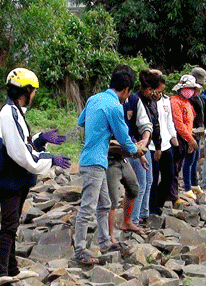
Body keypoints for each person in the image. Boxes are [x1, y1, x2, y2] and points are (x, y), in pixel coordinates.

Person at [0, 68, 70, 286]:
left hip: (16, 178)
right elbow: (22, 155)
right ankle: (1, 272)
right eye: (33, 91)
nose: (34, 95)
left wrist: (40, 139)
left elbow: (23, 144)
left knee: (13, 224)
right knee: (8, 225)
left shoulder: (14, 112)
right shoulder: (10, 114)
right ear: (26, 90)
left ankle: (12, 269)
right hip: (10, 179)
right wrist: (50, 159)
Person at [73, 65, 145, 265]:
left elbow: (82, 121)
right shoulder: (115, 106)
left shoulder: (94, 99)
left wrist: (98, 131)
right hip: (94, 162)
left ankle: (105, 241)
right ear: (127, 90)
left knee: (105, 203)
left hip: (95, 159)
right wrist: (137, 150)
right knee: (88, 207)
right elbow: (123, 137)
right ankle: (79, 249)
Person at [124, 69, 162, 225]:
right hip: (133, 146)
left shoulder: (147, 102)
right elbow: (126, 128)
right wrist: (138, 147)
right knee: (138, 183)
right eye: (157, 91)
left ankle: (143, 213)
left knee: (149, 180)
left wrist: (149, 141)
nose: (158, 94)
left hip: (143, 145)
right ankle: (134, 219)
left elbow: (151, 125)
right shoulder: (134, 100)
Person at [150, 80, 179, 215]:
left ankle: (159, 203)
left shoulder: (166, 100)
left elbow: (169, 121)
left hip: (166, 143)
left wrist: (175, 140)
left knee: (169, 176)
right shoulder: (146, 102)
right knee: (153, 179)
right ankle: (151, 209)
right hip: (151, 146)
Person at [170, 74, 199, 203]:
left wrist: (190, 138)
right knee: (174, 167)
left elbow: (189, 122)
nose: (190, 90)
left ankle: (174, 194)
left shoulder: (187, 102)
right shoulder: (175, 101)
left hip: (185, 137)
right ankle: (173, 196)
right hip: (177, 137)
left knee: (179, 166)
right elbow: (179, 124)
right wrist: (190, 139)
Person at [189, 68, 206, 193]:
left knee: (195, 159)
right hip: (192, 131)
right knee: (190, 160)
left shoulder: (199, 96)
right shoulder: (190, 97)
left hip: (199, 130)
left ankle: (194, 183)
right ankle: (188, 185)